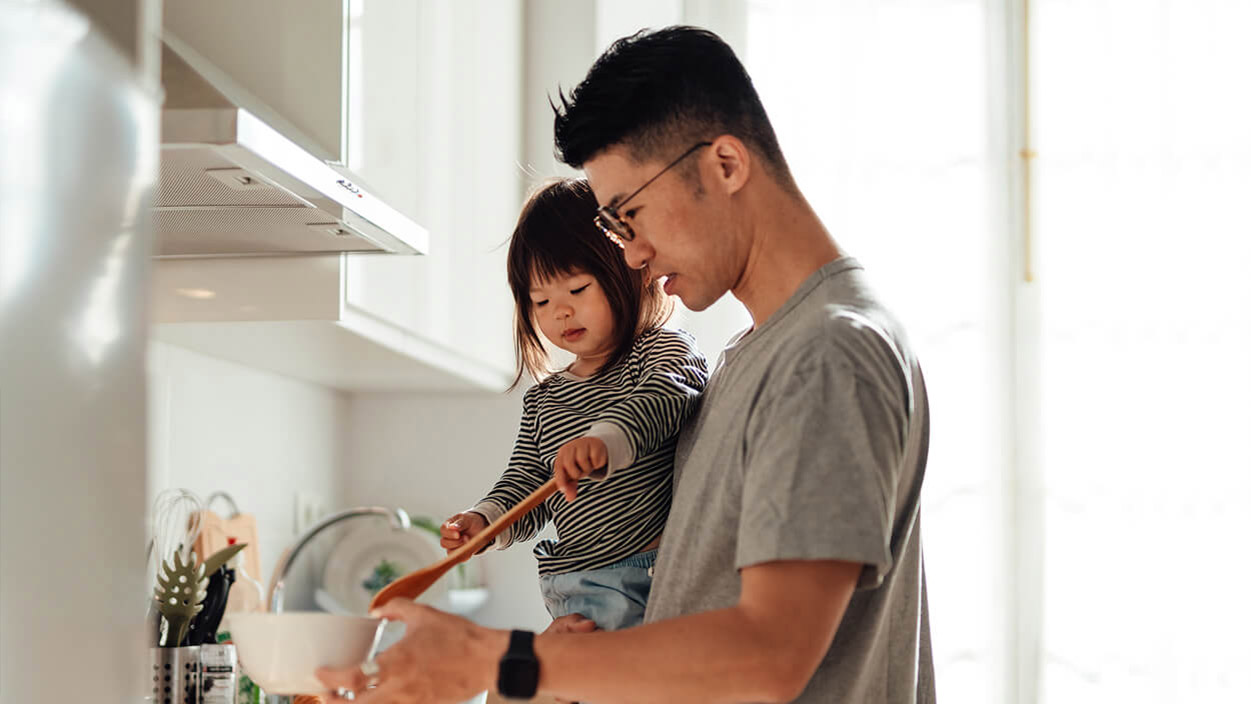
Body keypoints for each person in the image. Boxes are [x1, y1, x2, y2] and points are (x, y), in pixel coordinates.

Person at [319, 26, 933, 704]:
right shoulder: (756, 357)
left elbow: (769, 655)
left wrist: (501, 661)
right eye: (615, 227)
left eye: (629, 214)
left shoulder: (825, 354)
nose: (632, 254)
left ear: (726, 165)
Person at [437, 177, 708, 634]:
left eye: (577, 290)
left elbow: (669, 393)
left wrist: (606, 440)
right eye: (540, 301)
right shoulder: (544, 399)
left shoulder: (658, 352)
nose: (559, 312)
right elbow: (526, 481)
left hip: (645, 576)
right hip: (570, 585)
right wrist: (486, 522)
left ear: (628, 270)